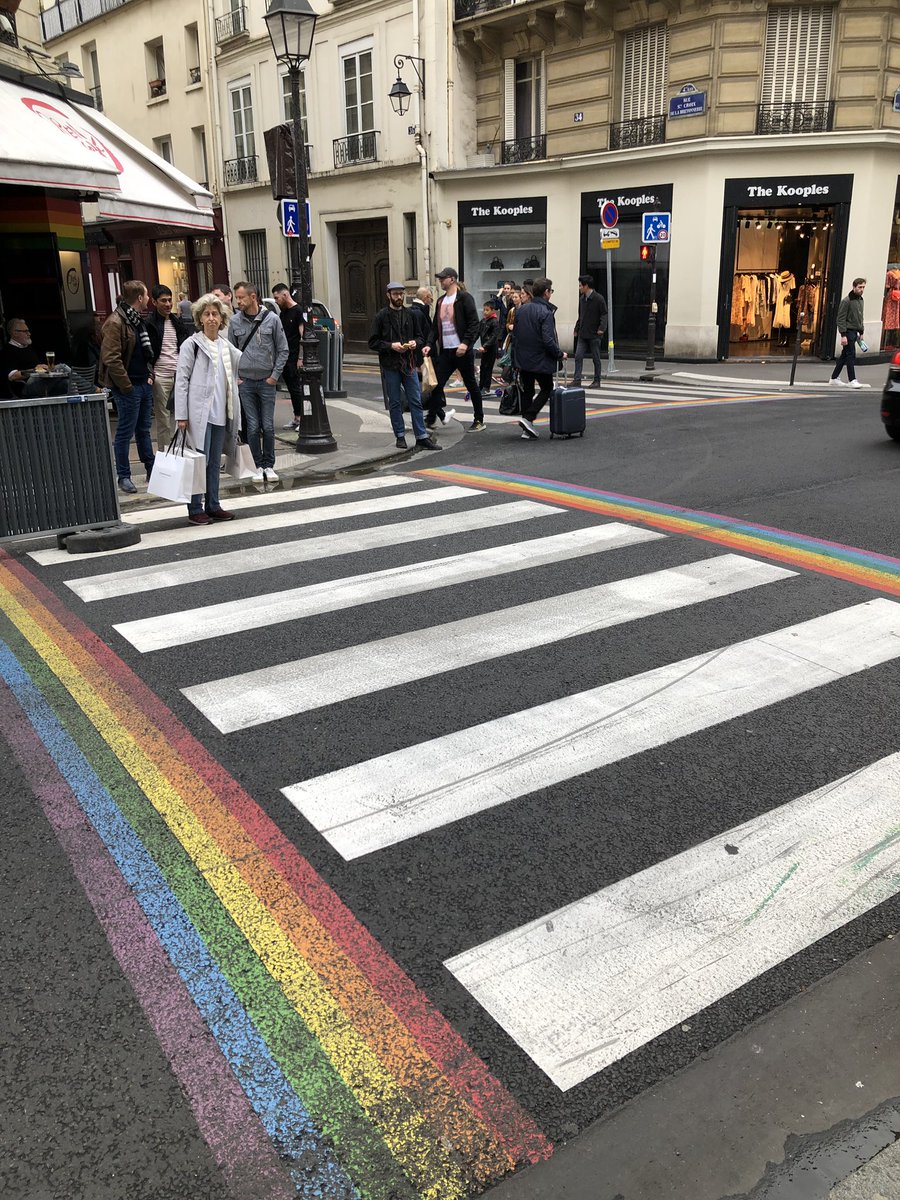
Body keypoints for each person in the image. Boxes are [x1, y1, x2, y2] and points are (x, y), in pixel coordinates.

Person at [174, 293, 242, 526]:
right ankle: (195, 508)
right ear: (200, 319)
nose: (211, 318)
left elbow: (234, 377)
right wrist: (181, 415)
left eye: (215, 314)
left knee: (214, 462)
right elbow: (181, 381)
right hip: (197, 415)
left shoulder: (226, 346)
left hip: (220, 414)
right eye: (207, 314)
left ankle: (213, 504)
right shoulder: (191, 345)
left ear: (222, 318)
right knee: (197, 462)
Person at [228, 280, 289, 483]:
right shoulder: (235, 322)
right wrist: (236, 378)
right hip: (245, 382)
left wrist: (274, 376)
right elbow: (230, 351)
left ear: (253, 297)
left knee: (268, 426)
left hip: (266, 381)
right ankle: (257, 465)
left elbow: (283, 349)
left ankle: (269, 465)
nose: (238, 302)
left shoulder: (272, 319)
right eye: (237, 298)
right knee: (252, 426)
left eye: (241, 297)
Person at [368, 282, 440, 452]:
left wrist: (416, 342)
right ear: (388, 295)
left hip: (409, 364)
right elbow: (373, 342)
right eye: (395, 294)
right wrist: (391, 346)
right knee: (395, 402)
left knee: (415, 400)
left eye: (401, 294)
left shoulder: (411, 314)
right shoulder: (381, 316)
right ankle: (400, 435)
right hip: (390, 365)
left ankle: (421, 437)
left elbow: (421, 336)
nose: (399, 297)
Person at [99, 279, 155, 494]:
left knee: (143, 430)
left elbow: (144, 351)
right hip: (129, 386)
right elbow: (111, 359)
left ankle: (151, 469)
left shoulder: (135, 320)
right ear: (140, 297)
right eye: (147, 295)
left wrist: (149, 374)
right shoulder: (116, 322)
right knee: (125, 431)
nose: (148, 298)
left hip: (142, 382)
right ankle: (124, 475)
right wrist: (127, 386)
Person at [422, 267, 485, 432]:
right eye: (440, 279)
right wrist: (429, 343)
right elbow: (436, 326)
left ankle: (479, 420)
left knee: (471, 384)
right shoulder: (441, 301)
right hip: (446, 351)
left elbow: (474, 324)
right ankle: (430, 419)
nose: (440, 281)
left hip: (462, 351)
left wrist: (465, 343)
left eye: (443, 278)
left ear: (452, 279)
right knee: (437, 385)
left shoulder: (464, 298)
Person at [514, 278, 566, 440]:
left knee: (527, 390)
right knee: (547, 388)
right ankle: (528, 418)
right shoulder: (545, 312)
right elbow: (548, 339)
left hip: (523, 358)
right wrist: (559, 354)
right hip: (540, 358)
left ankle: (527, 428)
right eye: (551, 291)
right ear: (546, 293)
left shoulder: (521, 310)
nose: (551, 293)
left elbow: (516, 336)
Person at [145, 283, 189, 450]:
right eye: (163, 300)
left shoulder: (178, 323)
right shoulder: (149, 324)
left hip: (179, 375)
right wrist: (151, 373)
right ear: (154, 302)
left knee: (184, 416)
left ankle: (183, 451)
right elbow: (147, 353)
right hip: (160, 376)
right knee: (163, 419)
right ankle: (165, 455)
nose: (168, 304)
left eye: (170, 300)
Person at [272, 282, 304, 431]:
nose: (276, 301)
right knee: (291, 388)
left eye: (277, 298)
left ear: (285, 295)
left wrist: (301, 358)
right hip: (285, 355)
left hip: (295, 355)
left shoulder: (298, 311)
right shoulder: (283, 313)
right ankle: (297, 417)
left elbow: (303, 336)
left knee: (297, 388)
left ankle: (302, 418)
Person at [830, 277, 870, 389]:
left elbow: (860, 317)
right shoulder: (846, 301)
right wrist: (843, 335)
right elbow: (840, 319)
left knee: (844, 356)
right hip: (848, 331)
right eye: (860, 287)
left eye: (863, 287)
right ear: (854, 287)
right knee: (851, 355)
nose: (862, 289)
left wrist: (861, 331)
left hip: (855, 332)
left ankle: (834, 378)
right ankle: (852, 380)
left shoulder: (860, 300)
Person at [573, 274, 607, 389]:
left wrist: (601, 328)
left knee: (596, 358)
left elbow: (604, 314)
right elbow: (580, 315)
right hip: (583, 332)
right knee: (578, 356)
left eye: (580, 286)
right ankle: (577, 379)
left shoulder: (598, 298)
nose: (579, 288)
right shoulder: (582, 299)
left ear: (586, 286)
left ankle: (597, 380)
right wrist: (576, 328)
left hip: (594, 333)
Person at [1, 318, 41, 398]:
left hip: (39, 381)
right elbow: (12, 376)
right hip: (23, 388)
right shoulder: (7, 351)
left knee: (66, 382)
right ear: (14, 333)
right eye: (25, 331)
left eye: (28, 331)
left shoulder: (29, 349)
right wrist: (35, 371)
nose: (29, 334)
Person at [477, 301, 501, 392]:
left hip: (491, 348)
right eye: (484, 310)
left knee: (488, 367)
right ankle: (481, 385)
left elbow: (493, 337)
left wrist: (485, 346)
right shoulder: (483, 321)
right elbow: (477, 333)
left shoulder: (494, 322)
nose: (485, 312)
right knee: (483, 366)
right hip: (484, 348)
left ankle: (486, 386)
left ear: (492, 310)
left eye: (487, 310)